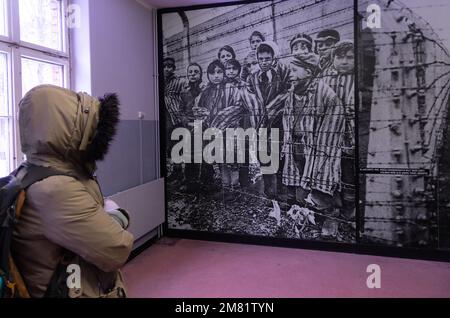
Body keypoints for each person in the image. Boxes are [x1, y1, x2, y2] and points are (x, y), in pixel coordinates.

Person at [11, 84, 134, 298]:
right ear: (69, 130)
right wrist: (117, 215)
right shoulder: (55, 189)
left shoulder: (29, 173)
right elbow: (116, 249)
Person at [245, 41, 290, 206]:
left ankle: (281, 193)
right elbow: (250, 98)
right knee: (263, 155)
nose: (264, 62)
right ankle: (268, 191)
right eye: (261, 59)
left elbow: (287, 92)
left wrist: (274, 108)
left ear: (274, 58)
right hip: (260, 123)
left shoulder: (281, 74)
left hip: (278, 122)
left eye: (267, 58)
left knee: (278, 156)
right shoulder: (253, 77)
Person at [163, 57, 185, 183]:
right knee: (168, 147)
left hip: (174, 118)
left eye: (170, 66)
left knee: (176, 144)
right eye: (165, 66)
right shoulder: (159, 82)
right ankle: (174, 171)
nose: (167, 68)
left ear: (174, 68)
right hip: (164, 119)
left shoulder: (178, 82)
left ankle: (179, 172)